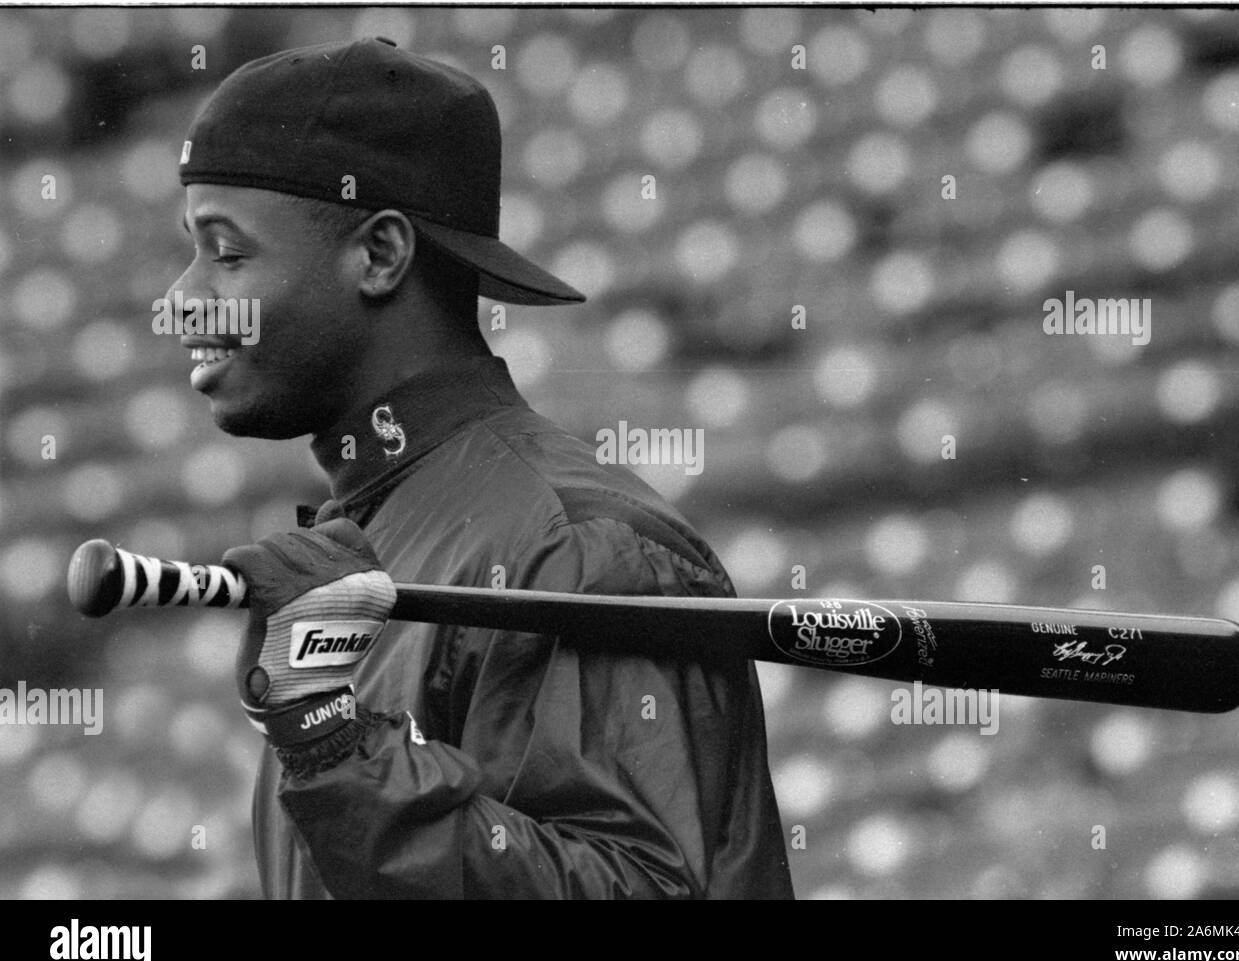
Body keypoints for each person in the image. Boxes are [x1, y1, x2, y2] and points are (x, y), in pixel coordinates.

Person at [169, 36, 794, 899]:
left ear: (380, 255)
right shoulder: (378, 526)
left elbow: (650, 888)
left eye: (227, 253)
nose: (182, 297)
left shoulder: (580, 543)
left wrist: (337, 746)